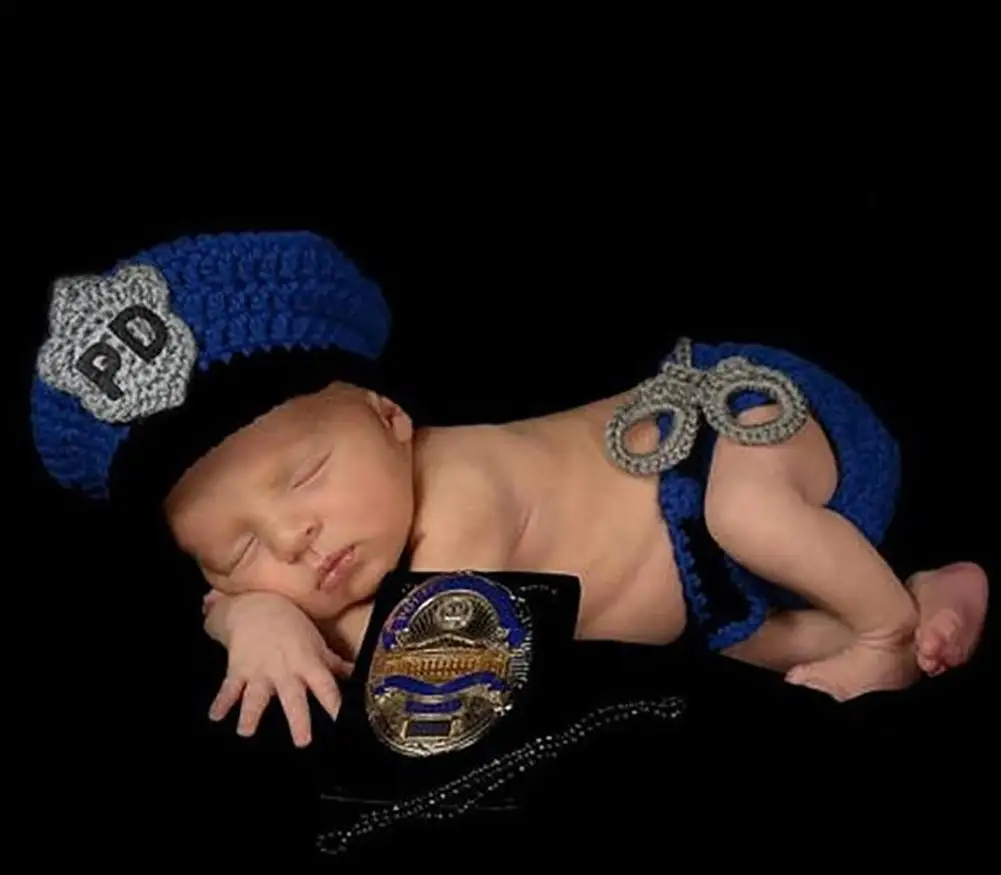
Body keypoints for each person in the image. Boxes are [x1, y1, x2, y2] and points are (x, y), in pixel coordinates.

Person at [31, 231, 989, 749]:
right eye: (236, 550)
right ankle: (922, 596)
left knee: (751, 515)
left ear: (386, 414)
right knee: (758, 649)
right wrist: (247, 612)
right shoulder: (354, 540)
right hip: (716, 585)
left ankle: (882, 630)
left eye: (304, 475)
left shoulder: (463, 490)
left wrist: (246, 616)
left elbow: (431, 673)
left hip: (729, 435)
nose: (292, 540)